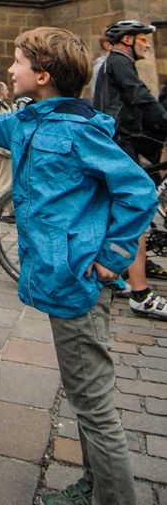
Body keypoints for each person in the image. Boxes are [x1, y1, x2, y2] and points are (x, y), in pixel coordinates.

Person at [0, 27, 157, 505]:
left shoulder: (80, 131)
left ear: (41, 76)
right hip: (59, 284)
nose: (9, 69)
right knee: (83, 398)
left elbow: (138, 190)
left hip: (79, 285)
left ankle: (111, 497)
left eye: (17, 62)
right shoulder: (26, 122)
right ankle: (94, 484)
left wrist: (111, 257)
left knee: (95, 407)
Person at [93, 18, 167, 315]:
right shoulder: (119, 61)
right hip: (119, 142)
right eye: (143, 38)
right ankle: (141, 293)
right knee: (136, 206)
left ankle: (131, 265)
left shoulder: (118, 61)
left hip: (126, 139)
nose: (148, 44)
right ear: (127, 40)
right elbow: (141, 97)